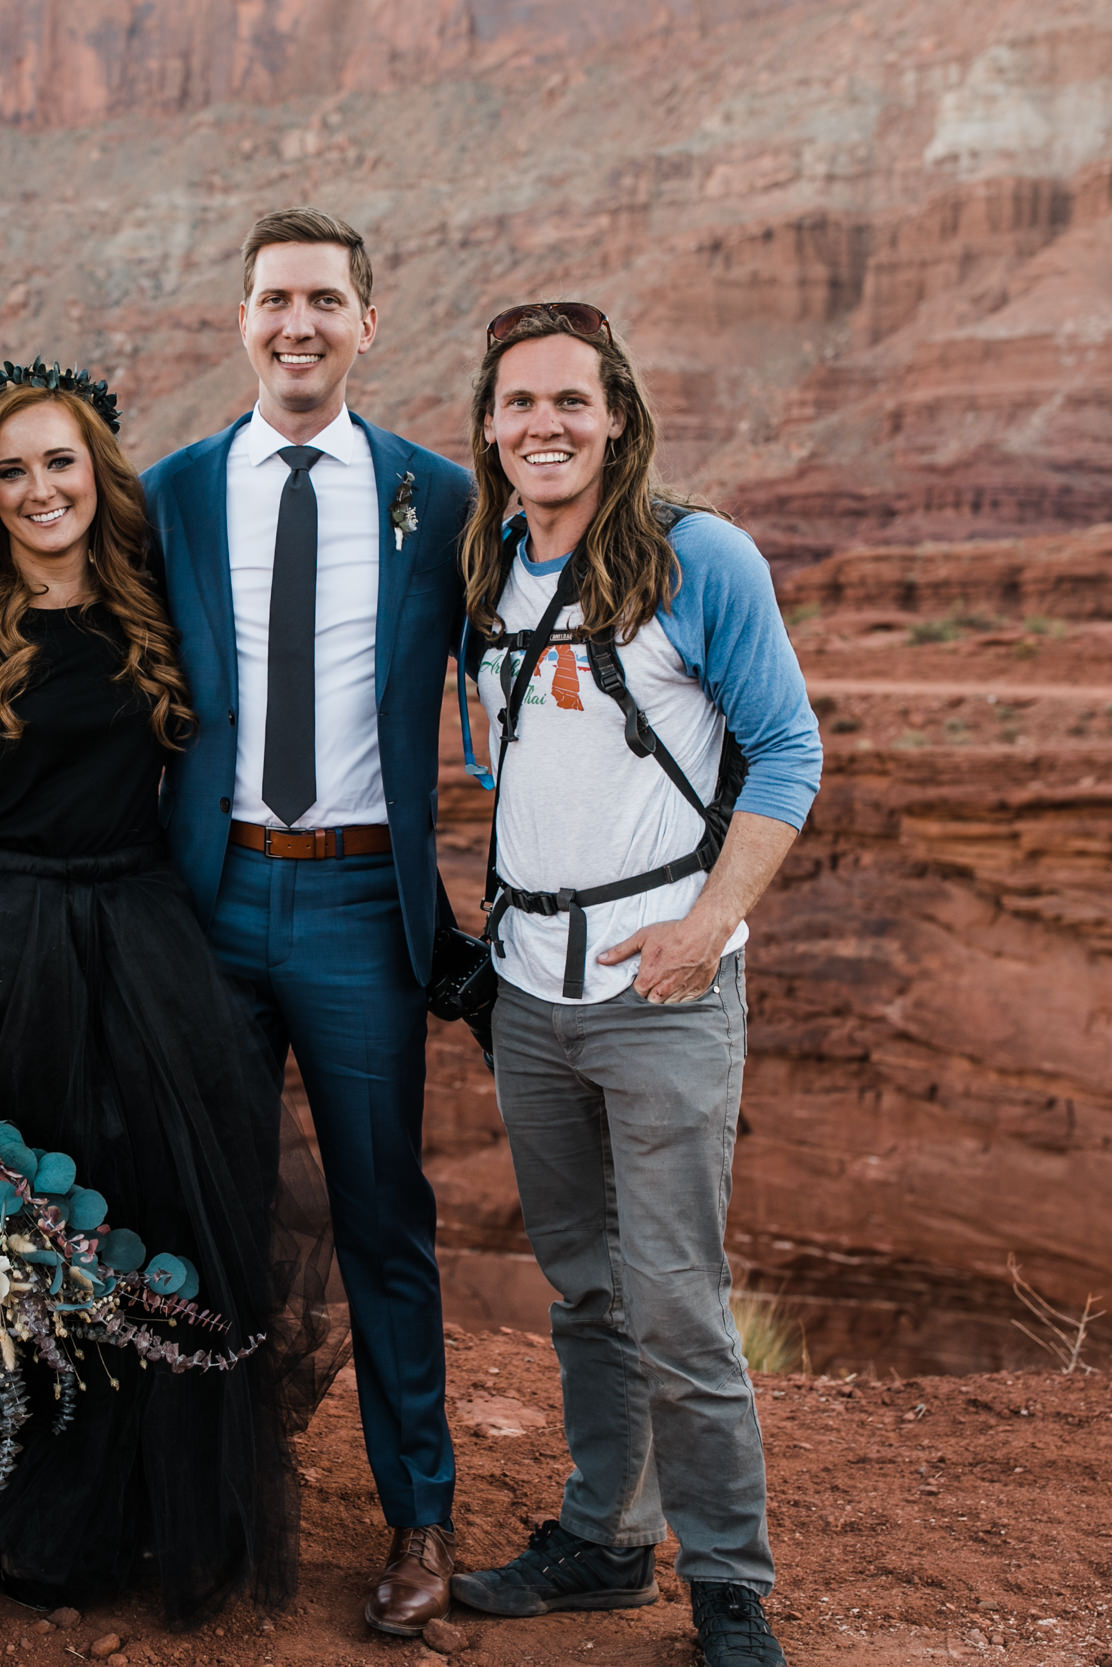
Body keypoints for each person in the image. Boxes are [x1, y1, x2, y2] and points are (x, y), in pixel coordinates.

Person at [0, 366, 336, 1623]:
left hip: (137, 937)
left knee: (144, 1215)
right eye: (13, 470)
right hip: (1, 939)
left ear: (99, 474)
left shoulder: (150, 602)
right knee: (8, 1236)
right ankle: (11, 1503)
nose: (40, 490)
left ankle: (129, 1505)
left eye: (60, 464)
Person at [442, 302, 821, 1667]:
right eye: (520, 403)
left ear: (616, 415)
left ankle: (728, 1582)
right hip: (531, 996)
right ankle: (606, 1536)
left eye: (571, 402)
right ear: (489, 424)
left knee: (676, 1292)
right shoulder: (490, 570)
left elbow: (788, 750)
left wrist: (712, 920)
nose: (545, 424)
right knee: (587, 1286)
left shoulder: (694, 556)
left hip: (662, 991)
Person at [140, 207, 477, 1636]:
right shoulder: (171, 491)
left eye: (325, 301)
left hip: (356, 897)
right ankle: (200, 1507)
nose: (299, 324)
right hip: (206, 895)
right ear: (241, 318)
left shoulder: (437, 498)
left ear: (367, 322)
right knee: (191, 1209)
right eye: (276, 298)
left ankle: (418, 1513)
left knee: (380, 1210)